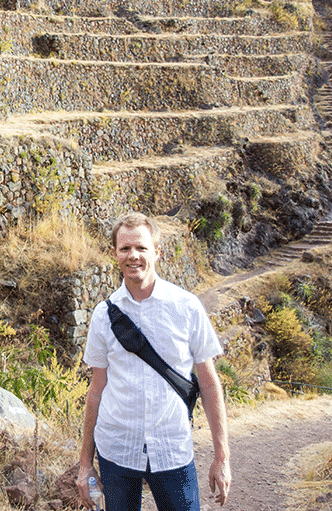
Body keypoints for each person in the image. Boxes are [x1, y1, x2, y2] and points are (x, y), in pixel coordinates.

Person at [76, 212, 231, 510]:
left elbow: (210, 385)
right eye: (125, 248)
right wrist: (85, 463)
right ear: (115, 254)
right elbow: (96, 390)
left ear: (157, 252)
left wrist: (222, 458)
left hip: (171, 447)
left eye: (141, 248)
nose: (133, 255)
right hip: (117, 447)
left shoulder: (186, 307)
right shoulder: (102, 316)